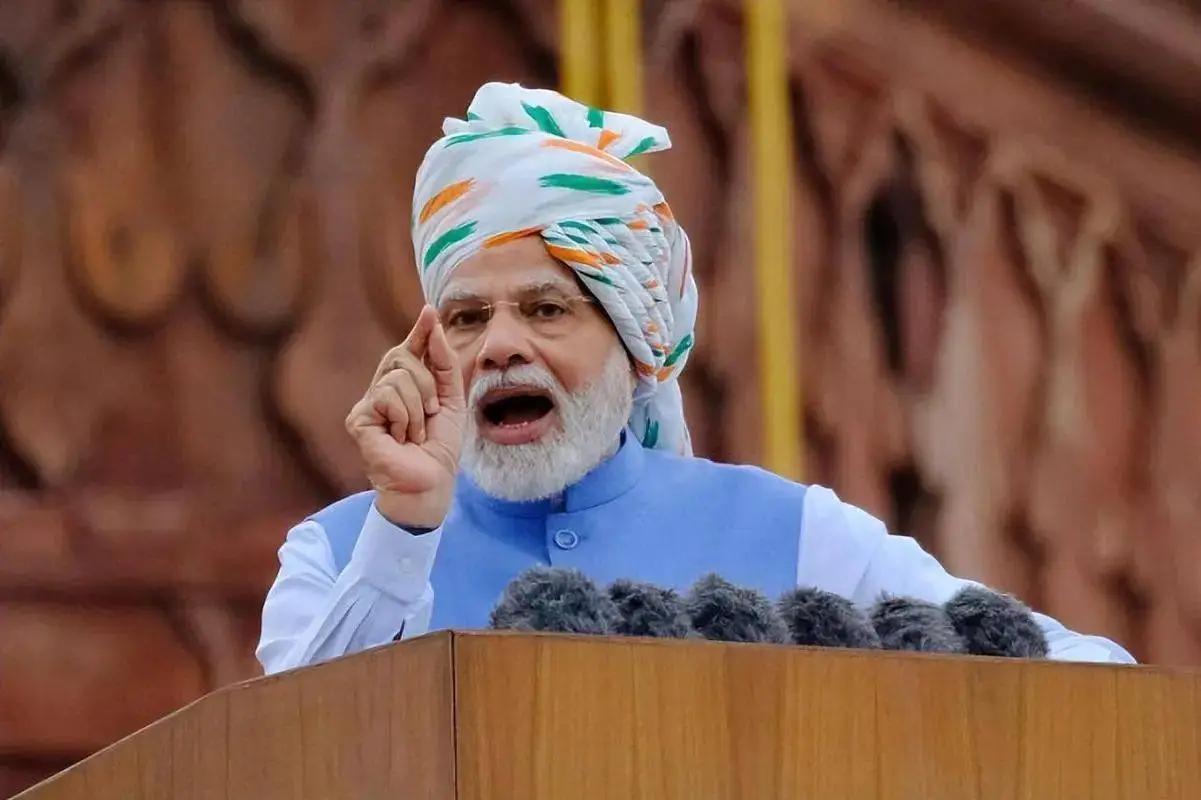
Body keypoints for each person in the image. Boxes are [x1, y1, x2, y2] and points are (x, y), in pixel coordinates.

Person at [256, 83, 1133, 674]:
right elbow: (297, 757)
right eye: (466, 318)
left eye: (547, 309)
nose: (498, 347)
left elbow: (1084, 677)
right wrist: (404, 531)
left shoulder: (793, 534)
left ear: (636, 340)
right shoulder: (336, 553)